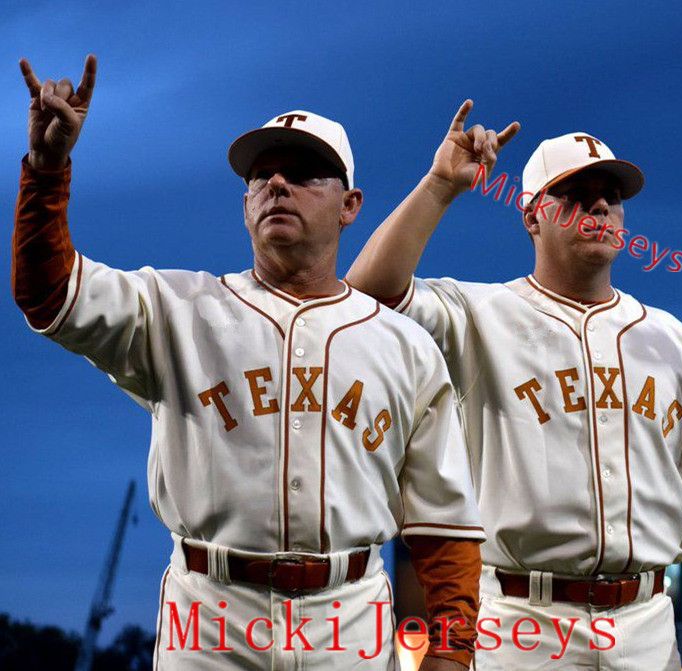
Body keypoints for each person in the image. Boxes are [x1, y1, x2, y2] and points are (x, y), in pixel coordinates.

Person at [13, 55, 486, 671]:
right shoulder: (175, 309)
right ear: (245, 206)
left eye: (305, 173)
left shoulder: (406, 346)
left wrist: (451, 654)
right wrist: (47, 171)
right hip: (208, 619)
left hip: (349, 619)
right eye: (262, 176)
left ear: (350, 206)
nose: (278, 185)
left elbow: (444, 522)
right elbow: (49, 292)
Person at [347, 100, 682, 668]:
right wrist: (439, 185)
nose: (599, 205)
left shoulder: (672, 339)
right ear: (532, 215)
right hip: (523, 623)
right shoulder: (479, 314)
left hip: (647, 624)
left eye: (612, 197)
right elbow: (367, 293)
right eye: (576, 194)